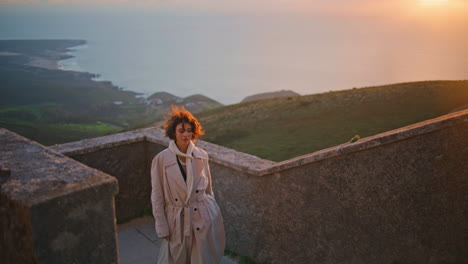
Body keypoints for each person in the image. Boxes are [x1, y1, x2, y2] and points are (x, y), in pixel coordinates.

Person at [151, 106, 226, 264]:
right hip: (176, 219)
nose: (186, 134)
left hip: (202, 216)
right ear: (173, 133)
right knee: (175, 258)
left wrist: (211, 215)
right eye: (181, 130)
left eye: (189, 130)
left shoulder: (201, 155)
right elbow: (157, 196)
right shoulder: (161, 159)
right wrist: (162, 225)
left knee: (202, 258)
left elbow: (208, 189)